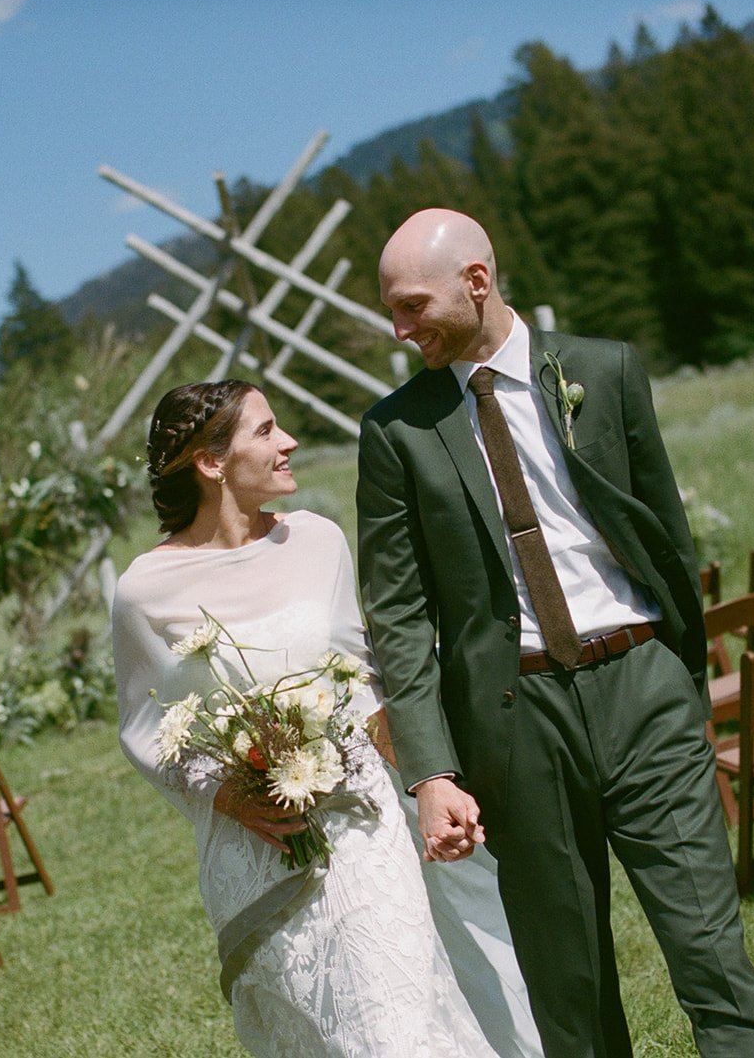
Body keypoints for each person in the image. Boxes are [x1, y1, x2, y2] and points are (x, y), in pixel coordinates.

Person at [358, 208, 754, 1058]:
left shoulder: (605, 370)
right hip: (516, 723)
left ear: (477, 282)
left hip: (643, 689)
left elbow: (665, 537)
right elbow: (399, 615)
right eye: (393, 310)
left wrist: (679, 677)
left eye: (412, 306)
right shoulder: (395, 431)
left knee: (713, 954)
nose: (400, 329)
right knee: (571, 991)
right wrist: (431, 771)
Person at [111, 379, 541, 1058]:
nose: (289, 442)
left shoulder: (317, 540)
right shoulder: (142, 590)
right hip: (257, 844)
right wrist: (228, 795)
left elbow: (364, 682)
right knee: (323, 1034)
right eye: (265, 431)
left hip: (362, 823)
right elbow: (144, 726)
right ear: (211, 461)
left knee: (394, 1028)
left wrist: (431, 783)